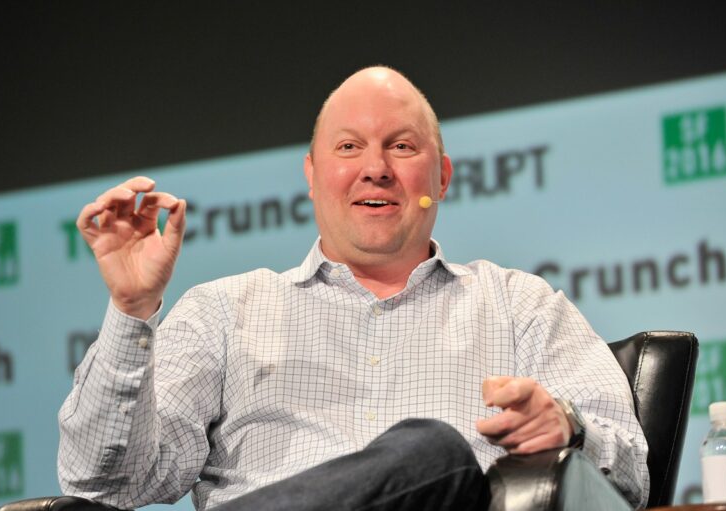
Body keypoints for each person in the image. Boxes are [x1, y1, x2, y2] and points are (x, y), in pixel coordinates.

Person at [58, 66, 649, 510]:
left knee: (435, 456)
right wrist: (131, 310)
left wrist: (568, 426)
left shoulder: (521, 306)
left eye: (402, 146)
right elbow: (105, 485)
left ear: (442, 177)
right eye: (348, 147)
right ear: (312, 176)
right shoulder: (223, 313)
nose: (376, 169)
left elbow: (633, 475)